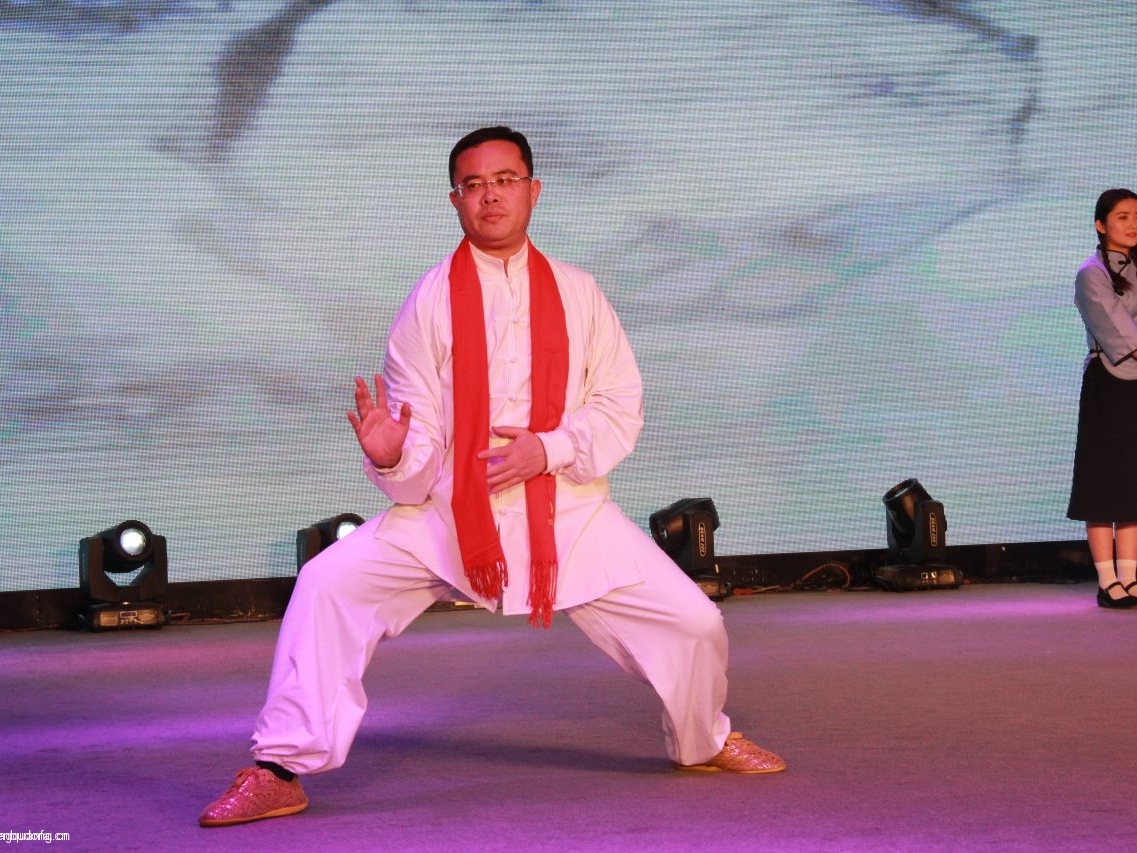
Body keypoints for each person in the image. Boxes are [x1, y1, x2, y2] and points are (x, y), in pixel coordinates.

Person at [198, 126, 786, 827]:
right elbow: (417, 445)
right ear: (455, 201)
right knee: (327, 584)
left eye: (505, 180)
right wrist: (391, 454)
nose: (490, 196)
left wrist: (550, 449)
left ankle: (702, 740)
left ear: (533, 191)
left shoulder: (579, 292)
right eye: (473, 185)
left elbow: (618, 404)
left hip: (568, 514)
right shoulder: (428, 299)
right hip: (449, 516)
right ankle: (279, 768)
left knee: (693, 621)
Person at [1068, 188, 1137, 609]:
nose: (1133, 224)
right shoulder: (1091, 272)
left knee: (1132, 481)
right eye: (1123, 217)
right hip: (1108, 384)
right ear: (1100, 224)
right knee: (1103, 481)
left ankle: (1130, 576)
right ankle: (1107, 579)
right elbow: (1119, 332)